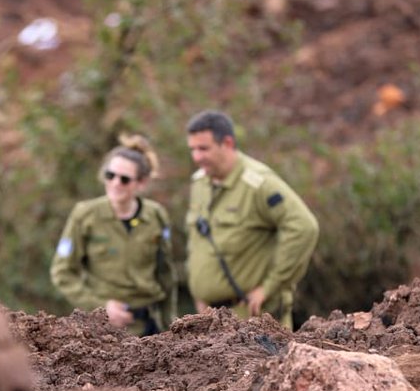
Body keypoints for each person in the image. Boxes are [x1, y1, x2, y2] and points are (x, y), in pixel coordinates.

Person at [184, 109, 319, 330]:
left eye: (203, 149)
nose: (197, 157)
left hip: (253, 321)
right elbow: (197, 243)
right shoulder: (199, 183)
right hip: (211, 319)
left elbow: (304, 227)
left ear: (227, 143)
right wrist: (200, 294)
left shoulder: (258, 183)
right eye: (192, 149)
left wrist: (270, 286)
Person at [50, 135, 178, 336]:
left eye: (125, 179)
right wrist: (99, 306)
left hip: (149, 329)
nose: (115, 183)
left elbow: (166, 275)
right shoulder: (85, 215)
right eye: (110, 175)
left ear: (141, 183)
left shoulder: (156, 216)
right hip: (102, 332)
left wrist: (169, 324)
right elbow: (63, 272)